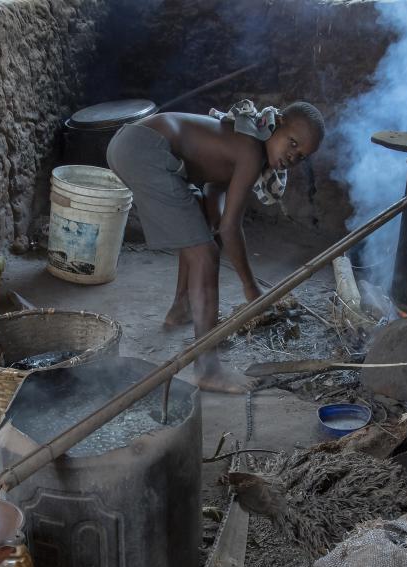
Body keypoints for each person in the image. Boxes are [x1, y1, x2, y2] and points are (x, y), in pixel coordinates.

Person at [107, 100, 325, 393]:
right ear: (278, 122)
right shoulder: (251, 149)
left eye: (300, 156)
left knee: (199, 235)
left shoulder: (243, 143)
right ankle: (208, 370)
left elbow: (214, 210)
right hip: (144, 147)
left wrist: (210, 229)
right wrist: (251, 288)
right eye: (292, 143)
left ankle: (181, 309)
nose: (291, 156)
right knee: (205, 254)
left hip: (131, 142)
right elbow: (230, 227)